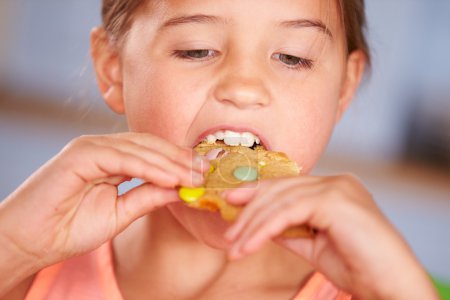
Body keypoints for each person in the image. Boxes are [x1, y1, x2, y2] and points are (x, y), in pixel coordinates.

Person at [0, 0, 439, 299]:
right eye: (196, 50)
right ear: (113, 69)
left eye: (292, 57)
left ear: (344, 88)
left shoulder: (376, 289)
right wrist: (12, 244)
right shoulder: (28, 271)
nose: (244, 88)